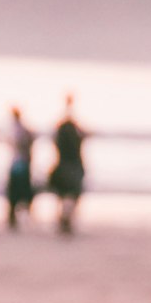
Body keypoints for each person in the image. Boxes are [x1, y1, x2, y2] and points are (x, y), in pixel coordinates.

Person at [48, 93, 86, 235]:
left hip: (63, 165)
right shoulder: (74, 131)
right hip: (72, 166)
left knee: (63, 196)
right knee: (72, 195)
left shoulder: (62, 131)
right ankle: (65, 220)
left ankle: (64, 219)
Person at [6, 107, 36, 229]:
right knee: (21, 192)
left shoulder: (16, 129)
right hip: (21, 163)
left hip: (18, 164)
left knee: (15, 193)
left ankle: (13, 217)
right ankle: (16, 216)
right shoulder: (21, 129)